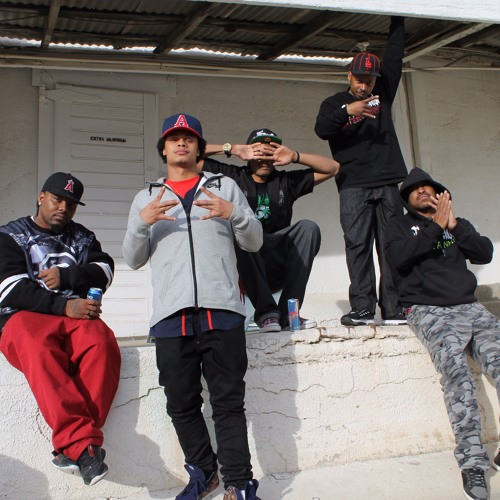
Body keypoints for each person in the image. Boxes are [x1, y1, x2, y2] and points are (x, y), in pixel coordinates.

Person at [122, 113, 263, 500]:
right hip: (171, 317)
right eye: (174, 138)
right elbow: (132, 259)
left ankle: (238, 483)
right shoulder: (147, 198)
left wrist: (234, 214)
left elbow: (254, 241)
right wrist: (142, 223)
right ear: (164, 149)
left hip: (222, 312)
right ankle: (204, 472)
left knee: (228, 403)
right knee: (181, 403)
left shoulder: (224, 187)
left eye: (189, 138)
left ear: (200, 148)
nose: (181, 143)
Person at [385, 167, 500, 500]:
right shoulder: (398, 226)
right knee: (457, 376)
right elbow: (398, 258)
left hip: (470, 307)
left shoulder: (456, 224)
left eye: (429, 187)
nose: (423, 191)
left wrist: (454, 226)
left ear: (441, 195)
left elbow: (484, 253)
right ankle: (472, 463)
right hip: (428, 309)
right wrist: (435, 227)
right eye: (415, 189)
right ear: (406, 198)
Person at [0, 172, 120, 486]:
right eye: (57, 199)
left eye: (71, 204)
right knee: (39, 350)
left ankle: (76, 446)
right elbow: (9, 289)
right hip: (23, 318)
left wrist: (68, 278)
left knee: (102, 341)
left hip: (71, 317)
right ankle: (85, 447)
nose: (63, 208)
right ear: (41, 197)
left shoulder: (81, 237)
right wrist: (64, 306)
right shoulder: (10, 235)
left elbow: (105, 269)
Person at [315, 16, 408, 327]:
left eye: (369, 80)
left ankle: (394, 309)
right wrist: (348, 111)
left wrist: (398, 18)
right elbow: (321, 129)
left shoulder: (383, 93)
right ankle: (363, 308)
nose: (364, 85)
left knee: (391, 246)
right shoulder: (334, 103)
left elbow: (395, 55)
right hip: (353, 185)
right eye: (359, 79)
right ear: (349, 76)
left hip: (388, 182)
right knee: (357, 245)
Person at [201, 128, 338, 332]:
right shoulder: (233, 177)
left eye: (270, 153)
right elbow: (192, 156)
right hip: (245, 263)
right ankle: (266, 314)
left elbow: (333, 168)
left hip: (276, 259)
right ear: (249, 154)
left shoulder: (286, 181)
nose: (264, 159)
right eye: (259, 152)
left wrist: (295, 156)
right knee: (242, 230)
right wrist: (232, 149)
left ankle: (288, 314)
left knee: (308, 228)